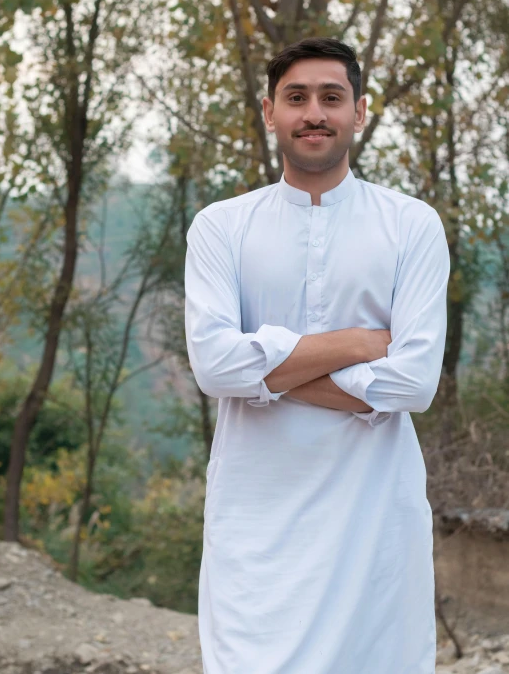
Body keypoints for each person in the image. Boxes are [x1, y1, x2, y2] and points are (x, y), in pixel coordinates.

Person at [184, 37, 450, 674]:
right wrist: (360, 344)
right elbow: (213, 368)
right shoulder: (221, 227)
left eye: (332, 98)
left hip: (374, 513)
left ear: (359, 113)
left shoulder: (411, 226)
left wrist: (264, 372)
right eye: (296, 97)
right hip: (256, 513)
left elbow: (414, 384)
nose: (314, 113)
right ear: (269, 112)